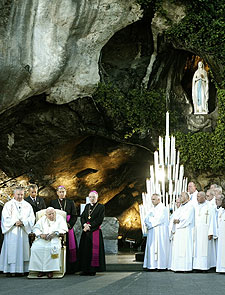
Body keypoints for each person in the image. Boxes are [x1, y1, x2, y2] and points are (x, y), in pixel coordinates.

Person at [0, 186, 35, 276]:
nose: (20, 196)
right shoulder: (8, 205)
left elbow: (31, 218)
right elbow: (5, 218)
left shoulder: (27, 205)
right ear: (14, 194)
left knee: (23, 249)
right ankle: (10, 270)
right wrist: (15, 222)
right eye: (18, 194)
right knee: (11, 250)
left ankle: (22, 270)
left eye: (22, 194)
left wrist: (23, 222)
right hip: (12, 231)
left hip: (23, 231)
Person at [29, 207, 68, 278]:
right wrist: (41, 234)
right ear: (46, 215)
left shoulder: (60, 218)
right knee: (35, 248)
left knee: (51, 248)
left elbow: (63, 228)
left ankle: (50, 271)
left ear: (55, 213)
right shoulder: (42, 219)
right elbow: (36, 228)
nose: (51, 216)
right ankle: (40, 270)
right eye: (49, 214)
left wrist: (55, 233)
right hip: (42, 239)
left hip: (54, 239)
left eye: (53, 214)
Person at [50, 186, 78, 274]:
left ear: (65, 193)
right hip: (57, 227)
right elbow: (50, 214)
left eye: (63, 192)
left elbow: (74, 215)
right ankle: (57, 266)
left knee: (70, 246)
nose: (61, 193)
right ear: (57, 193)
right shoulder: (53, 202)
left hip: (68, 226)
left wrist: (69, 225)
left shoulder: (70, 202)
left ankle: (70, 269)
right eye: (60, 192)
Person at [79, 190, 106, 276]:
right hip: (86, 232)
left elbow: (99, 219)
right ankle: (84, 269)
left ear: (97, 198)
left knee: (93, 251)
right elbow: (82, 217)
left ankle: (92, 270)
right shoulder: (87, 206)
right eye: (90, 197)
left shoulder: (101, 207)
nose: (92, 198)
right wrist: (84, 225)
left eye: (93, 197)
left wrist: (89, 226)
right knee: (85, 251)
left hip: (95, 232)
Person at [143, 194, 169, 270]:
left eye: (154, 199)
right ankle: (152, 265)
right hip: (152, 232)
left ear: (159, 200)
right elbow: (146, 219)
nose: (152, 201)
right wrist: (148, 223)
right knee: (152, 248)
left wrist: (150, 223)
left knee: (159, 248)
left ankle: (160, 266)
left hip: (160, 232)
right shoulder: (152, 209)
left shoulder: (163, 208)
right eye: (152, 199)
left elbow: (159, 219)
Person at [171, 192, 195, 272]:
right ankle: (177, 267)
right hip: (178, 231)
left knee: (184, 249)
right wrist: (174, 222)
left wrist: (179, 221)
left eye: (181, 196)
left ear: (187, 198)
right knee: (178, 249)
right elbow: (174, 217)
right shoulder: (180, 207)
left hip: (185, 231)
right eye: (180, 196)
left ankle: (185, 267)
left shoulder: (190, 207)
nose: (180, 197)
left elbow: (188, 219)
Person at [193, 191, 217, 271]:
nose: (197, 198)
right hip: (196, 231)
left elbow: (212, 220)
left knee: (204, 249)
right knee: (196, 249)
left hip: (205, 231)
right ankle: (196, 266)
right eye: (197, 196)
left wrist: (211, 232)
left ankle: (204, 266)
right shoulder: (195, 206)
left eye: (199, 196)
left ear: (204, 197)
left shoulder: (209, 206)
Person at [168, 197, 181, 270]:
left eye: (178, 202)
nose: (177, 204)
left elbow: (178, 221)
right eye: (176, 202)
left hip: (177, 232)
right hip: (173, 233)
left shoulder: (182, 211)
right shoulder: (175, 212)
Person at [216, 198, 225, 273]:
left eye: (223, 202)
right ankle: (221, 268)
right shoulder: (221, 211)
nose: (222, 203)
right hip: (221, 234)